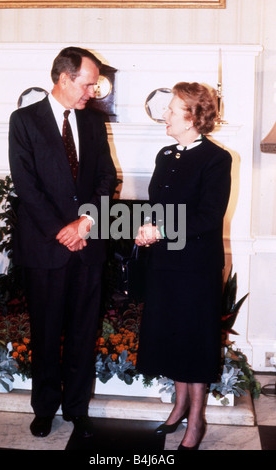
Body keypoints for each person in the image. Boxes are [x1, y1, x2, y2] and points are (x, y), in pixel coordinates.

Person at [9, 47, 116, 438]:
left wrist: (85, 222)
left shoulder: (93, 122)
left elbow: (107, 177)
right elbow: (26, 185)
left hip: (87, 245)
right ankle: (44, 408)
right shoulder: (24, 121)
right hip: (45, 248)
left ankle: (76, 408)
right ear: (65, 78)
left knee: (83, 331)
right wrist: (63, 230)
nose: (93, 92)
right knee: (46, 330)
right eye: (88, 84)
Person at [136, 82, 232, 450]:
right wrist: (144, 230)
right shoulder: (165, 154)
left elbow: (208, 217)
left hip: (196, 269)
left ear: (192, 117)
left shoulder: (216, 159)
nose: (166, 115)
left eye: (173, 110)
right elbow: (156, 206)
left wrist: (159, 229)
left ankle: (197, 422)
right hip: (165, 265)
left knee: (194, 344)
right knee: (172, 339)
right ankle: (177, 409)